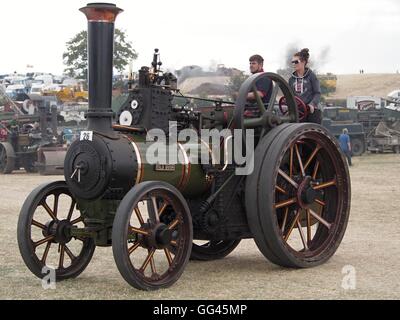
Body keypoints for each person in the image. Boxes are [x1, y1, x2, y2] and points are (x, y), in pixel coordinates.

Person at [288, 48, 322, 124]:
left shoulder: (311, 76)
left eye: (296, 62)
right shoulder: (291, 79)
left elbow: (317, 93)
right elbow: (290, 96)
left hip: (312, 111)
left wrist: (312, 104)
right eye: (292, 62)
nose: (294, 64)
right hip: (298, 112)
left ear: (303, 62)